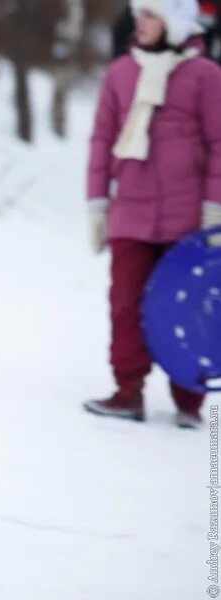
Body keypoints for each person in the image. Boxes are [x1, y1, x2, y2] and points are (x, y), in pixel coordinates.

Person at [84, 0, 221, 428]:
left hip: (185, 219)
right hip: (130, 212)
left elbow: (220, 145)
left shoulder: (205, 76)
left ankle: (189, 401)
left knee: (187, 307)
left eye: (151, 16)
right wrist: (96, 203)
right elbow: (101, 140)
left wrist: (214, 209)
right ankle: (127, 391)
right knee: (125, 304)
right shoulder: (121, 73)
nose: (139, 23)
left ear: (174, 25)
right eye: (139, 15)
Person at [113, 0, 221, 63]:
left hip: (198, 71)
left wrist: (213, 68)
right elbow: (121, 31)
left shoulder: (213, 3)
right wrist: (125, 65)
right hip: (153, 68)